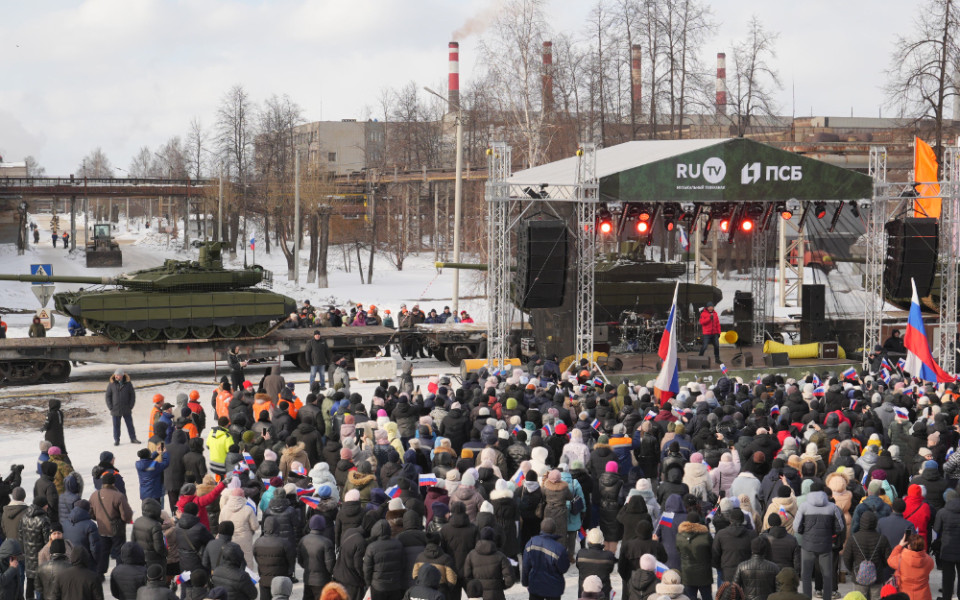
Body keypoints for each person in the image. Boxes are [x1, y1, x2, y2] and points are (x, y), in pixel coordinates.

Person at [793, 481, 845, 600]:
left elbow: (796, 527)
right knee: (827, 574)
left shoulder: (804, 506)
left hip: (807, 546)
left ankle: (807, 597)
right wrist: (829, 533)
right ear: (823, 491)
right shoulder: (832, 507)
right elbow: (840, 527)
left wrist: (805, 533)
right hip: (826, 545)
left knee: (806, 575)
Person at [522, 518, 570, 600]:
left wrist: (525, 581)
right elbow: (564, 568)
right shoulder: (559, 549)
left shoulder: (531, 543)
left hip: (535, 585)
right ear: (554, 530)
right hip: (553, 588)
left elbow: (525, 566)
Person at [886, 532, 933, 600]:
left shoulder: (900, 559)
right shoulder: (929, 560)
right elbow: (930, 568)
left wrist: (900, 546)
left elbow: (890, 560)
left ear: (908, 546)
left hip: (904, 595)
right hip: (923, 595)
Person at [106, 369, 140, 446]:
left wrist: (130, 406)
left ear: (122, 375)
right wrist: (111, 407)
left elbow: (132, 396)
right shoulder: (111, 384)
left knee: (130, 425)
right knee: (116, 426)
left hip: (126, 409)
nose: (117, 377)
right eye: (116, 375)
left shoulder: (128, 384)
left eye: (119, 375)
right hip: (115, 409)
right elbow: (108, 396)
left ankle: (133, 438)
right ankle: (116, 440)